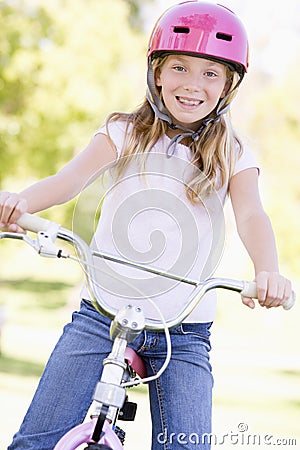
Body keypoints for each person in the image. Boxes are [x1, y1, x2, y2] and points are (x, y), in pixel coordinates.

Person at [0, 2, 292, 449]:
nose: (193, 84)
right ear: (157, 73)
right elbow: (69, 181)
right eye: (180, 66)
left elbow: (252, 214)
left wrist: (267, 269)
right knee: (35, 442)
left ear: (229, 86)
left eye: (211, 73)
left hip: (184, 330)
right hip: (102, 315)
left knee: (186, 444)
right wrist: (20, 201)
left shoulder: (233, 152)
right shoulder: (124, 131)